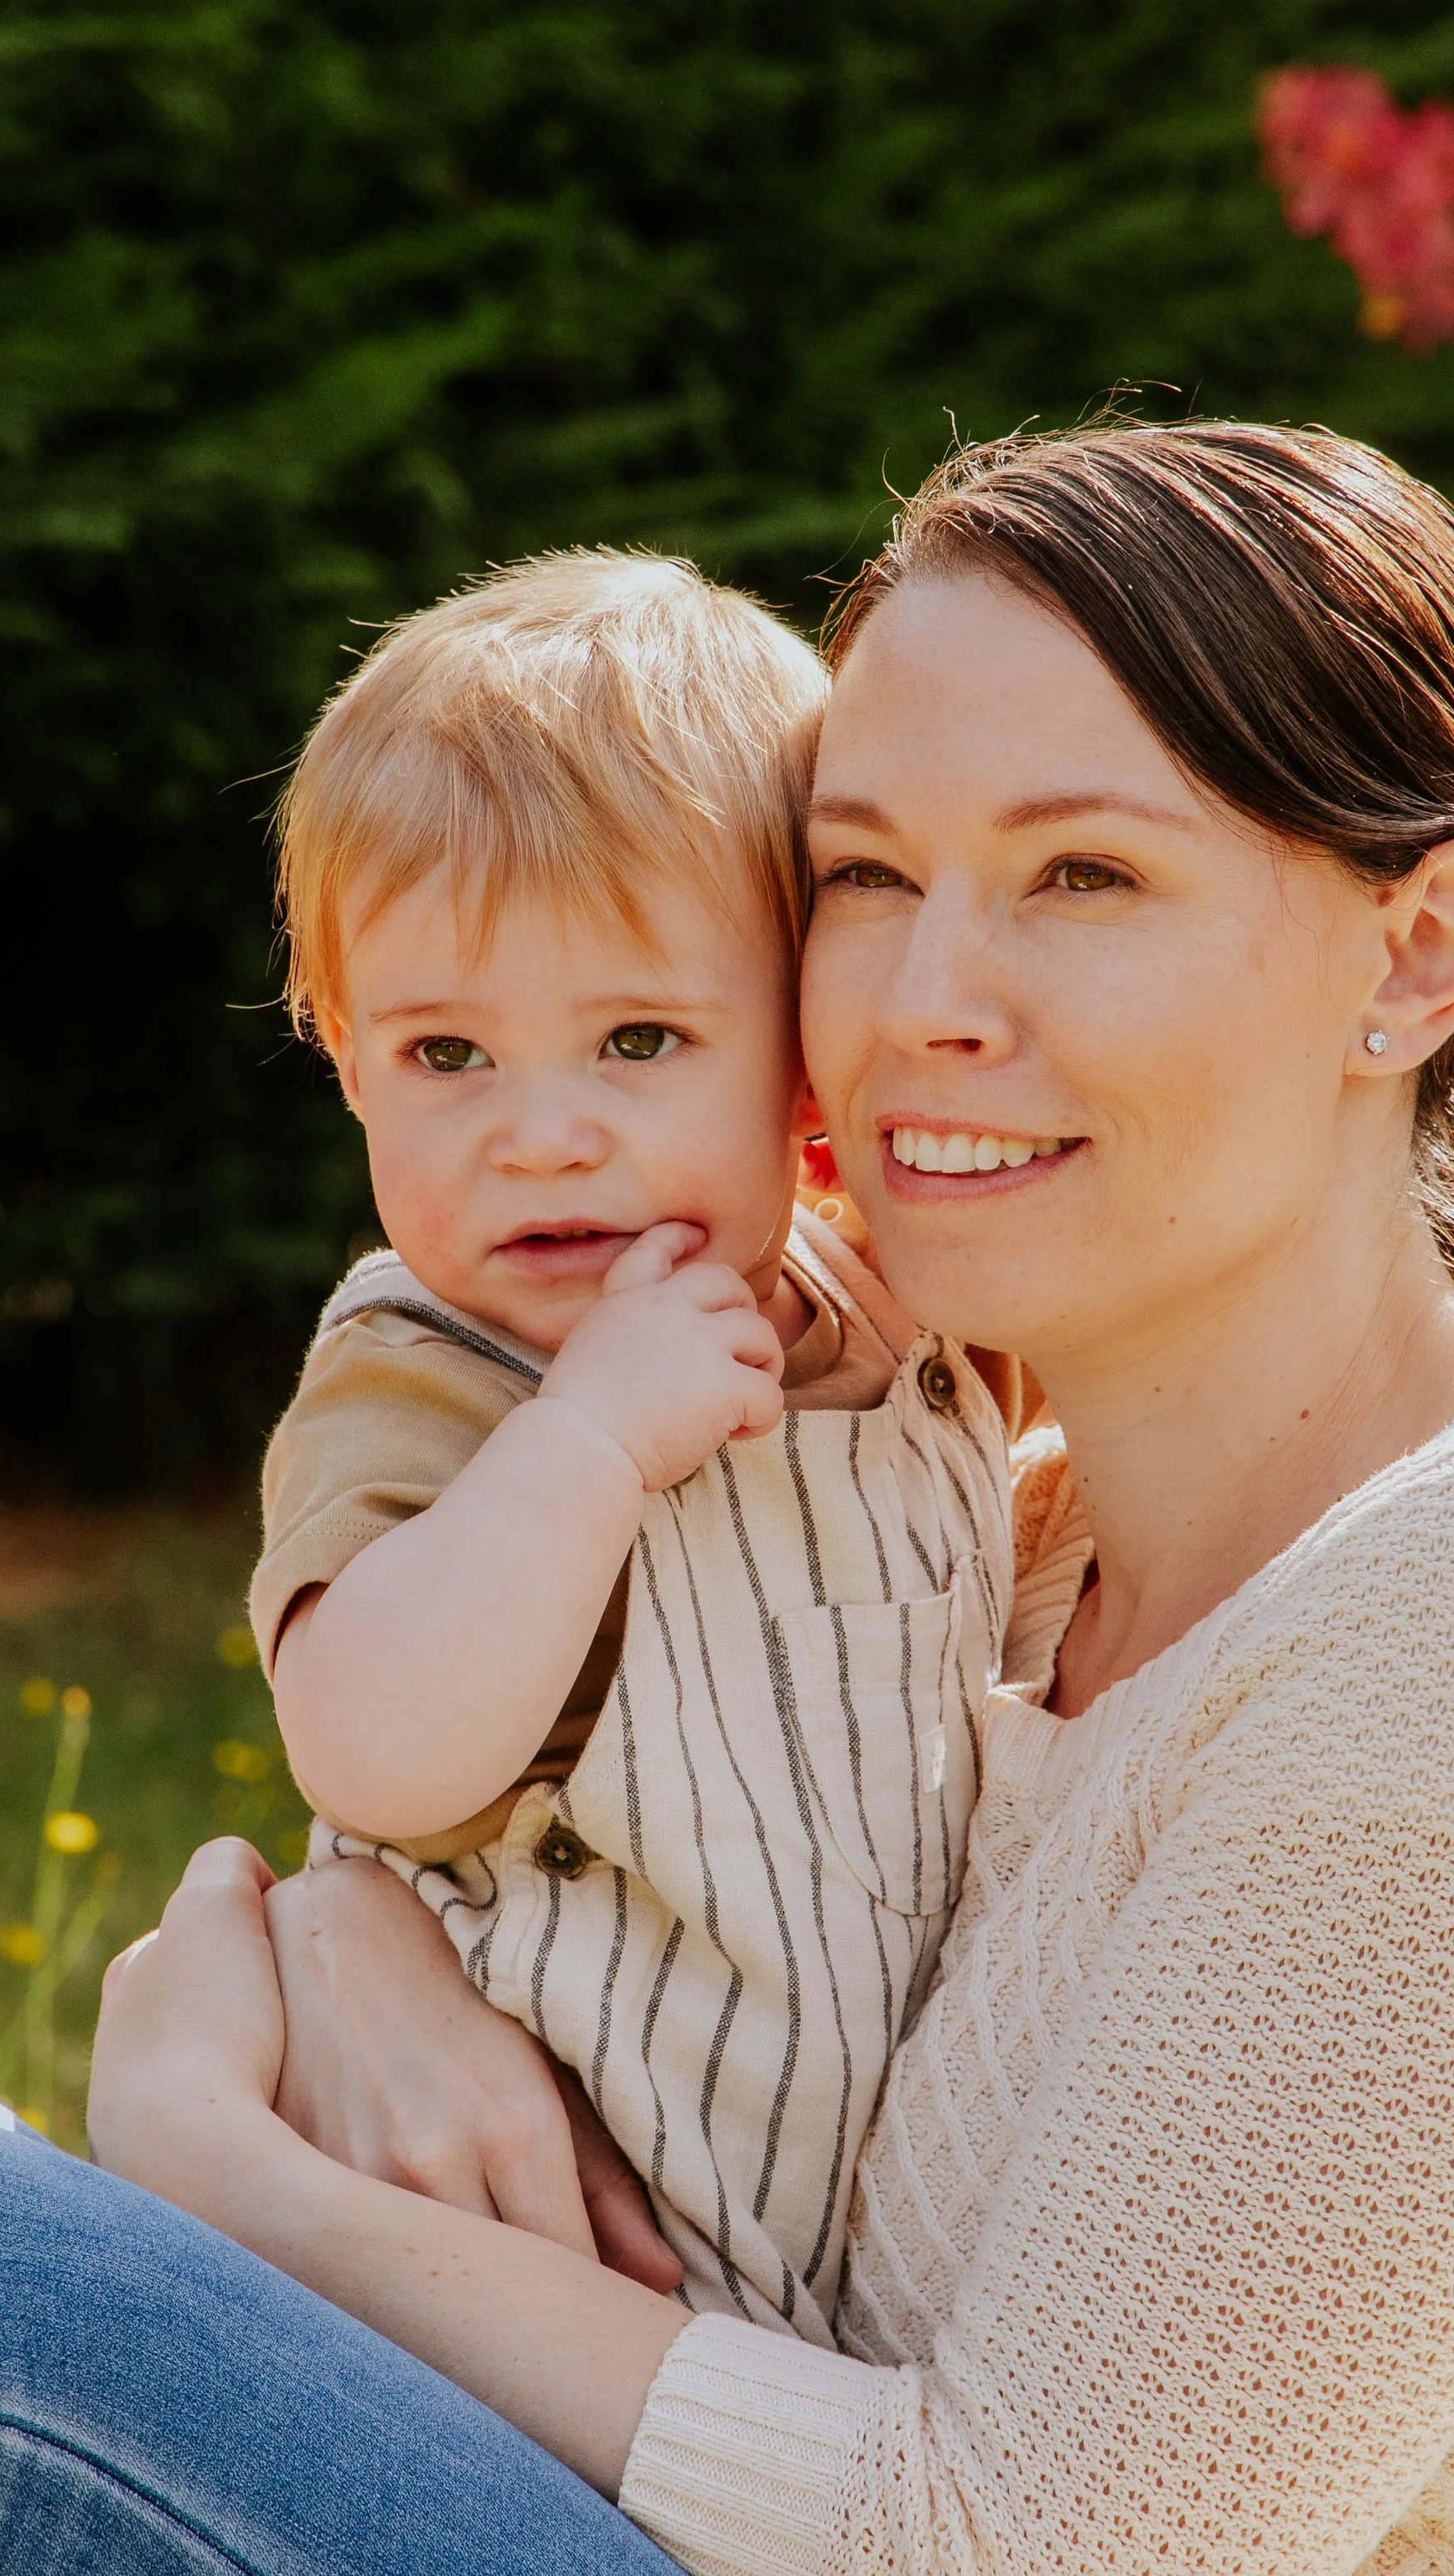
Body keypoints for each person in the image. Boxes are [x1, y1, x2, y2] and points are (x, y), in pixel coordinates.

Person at [0, 421, 1454, 2576]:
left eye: (1080, 876)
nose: (924, 1001)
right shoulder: (972, 1540)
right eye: (860, 876)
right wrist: (348, 1939)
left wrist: (246, 2177)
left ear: (1413, 956)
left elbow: (1026, 2575)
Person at [253, 548, 1019, 2336]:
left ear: (805, 1057)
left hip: (810, 2294)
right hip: (478, 2277)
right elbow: (368, 1748)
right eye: (446, 1054)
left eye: (637, 1038)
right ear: (349, 1059)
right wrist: (586, 1442)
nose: (538, 1134)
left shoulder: (889, 1318)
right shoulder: (430, 1378)